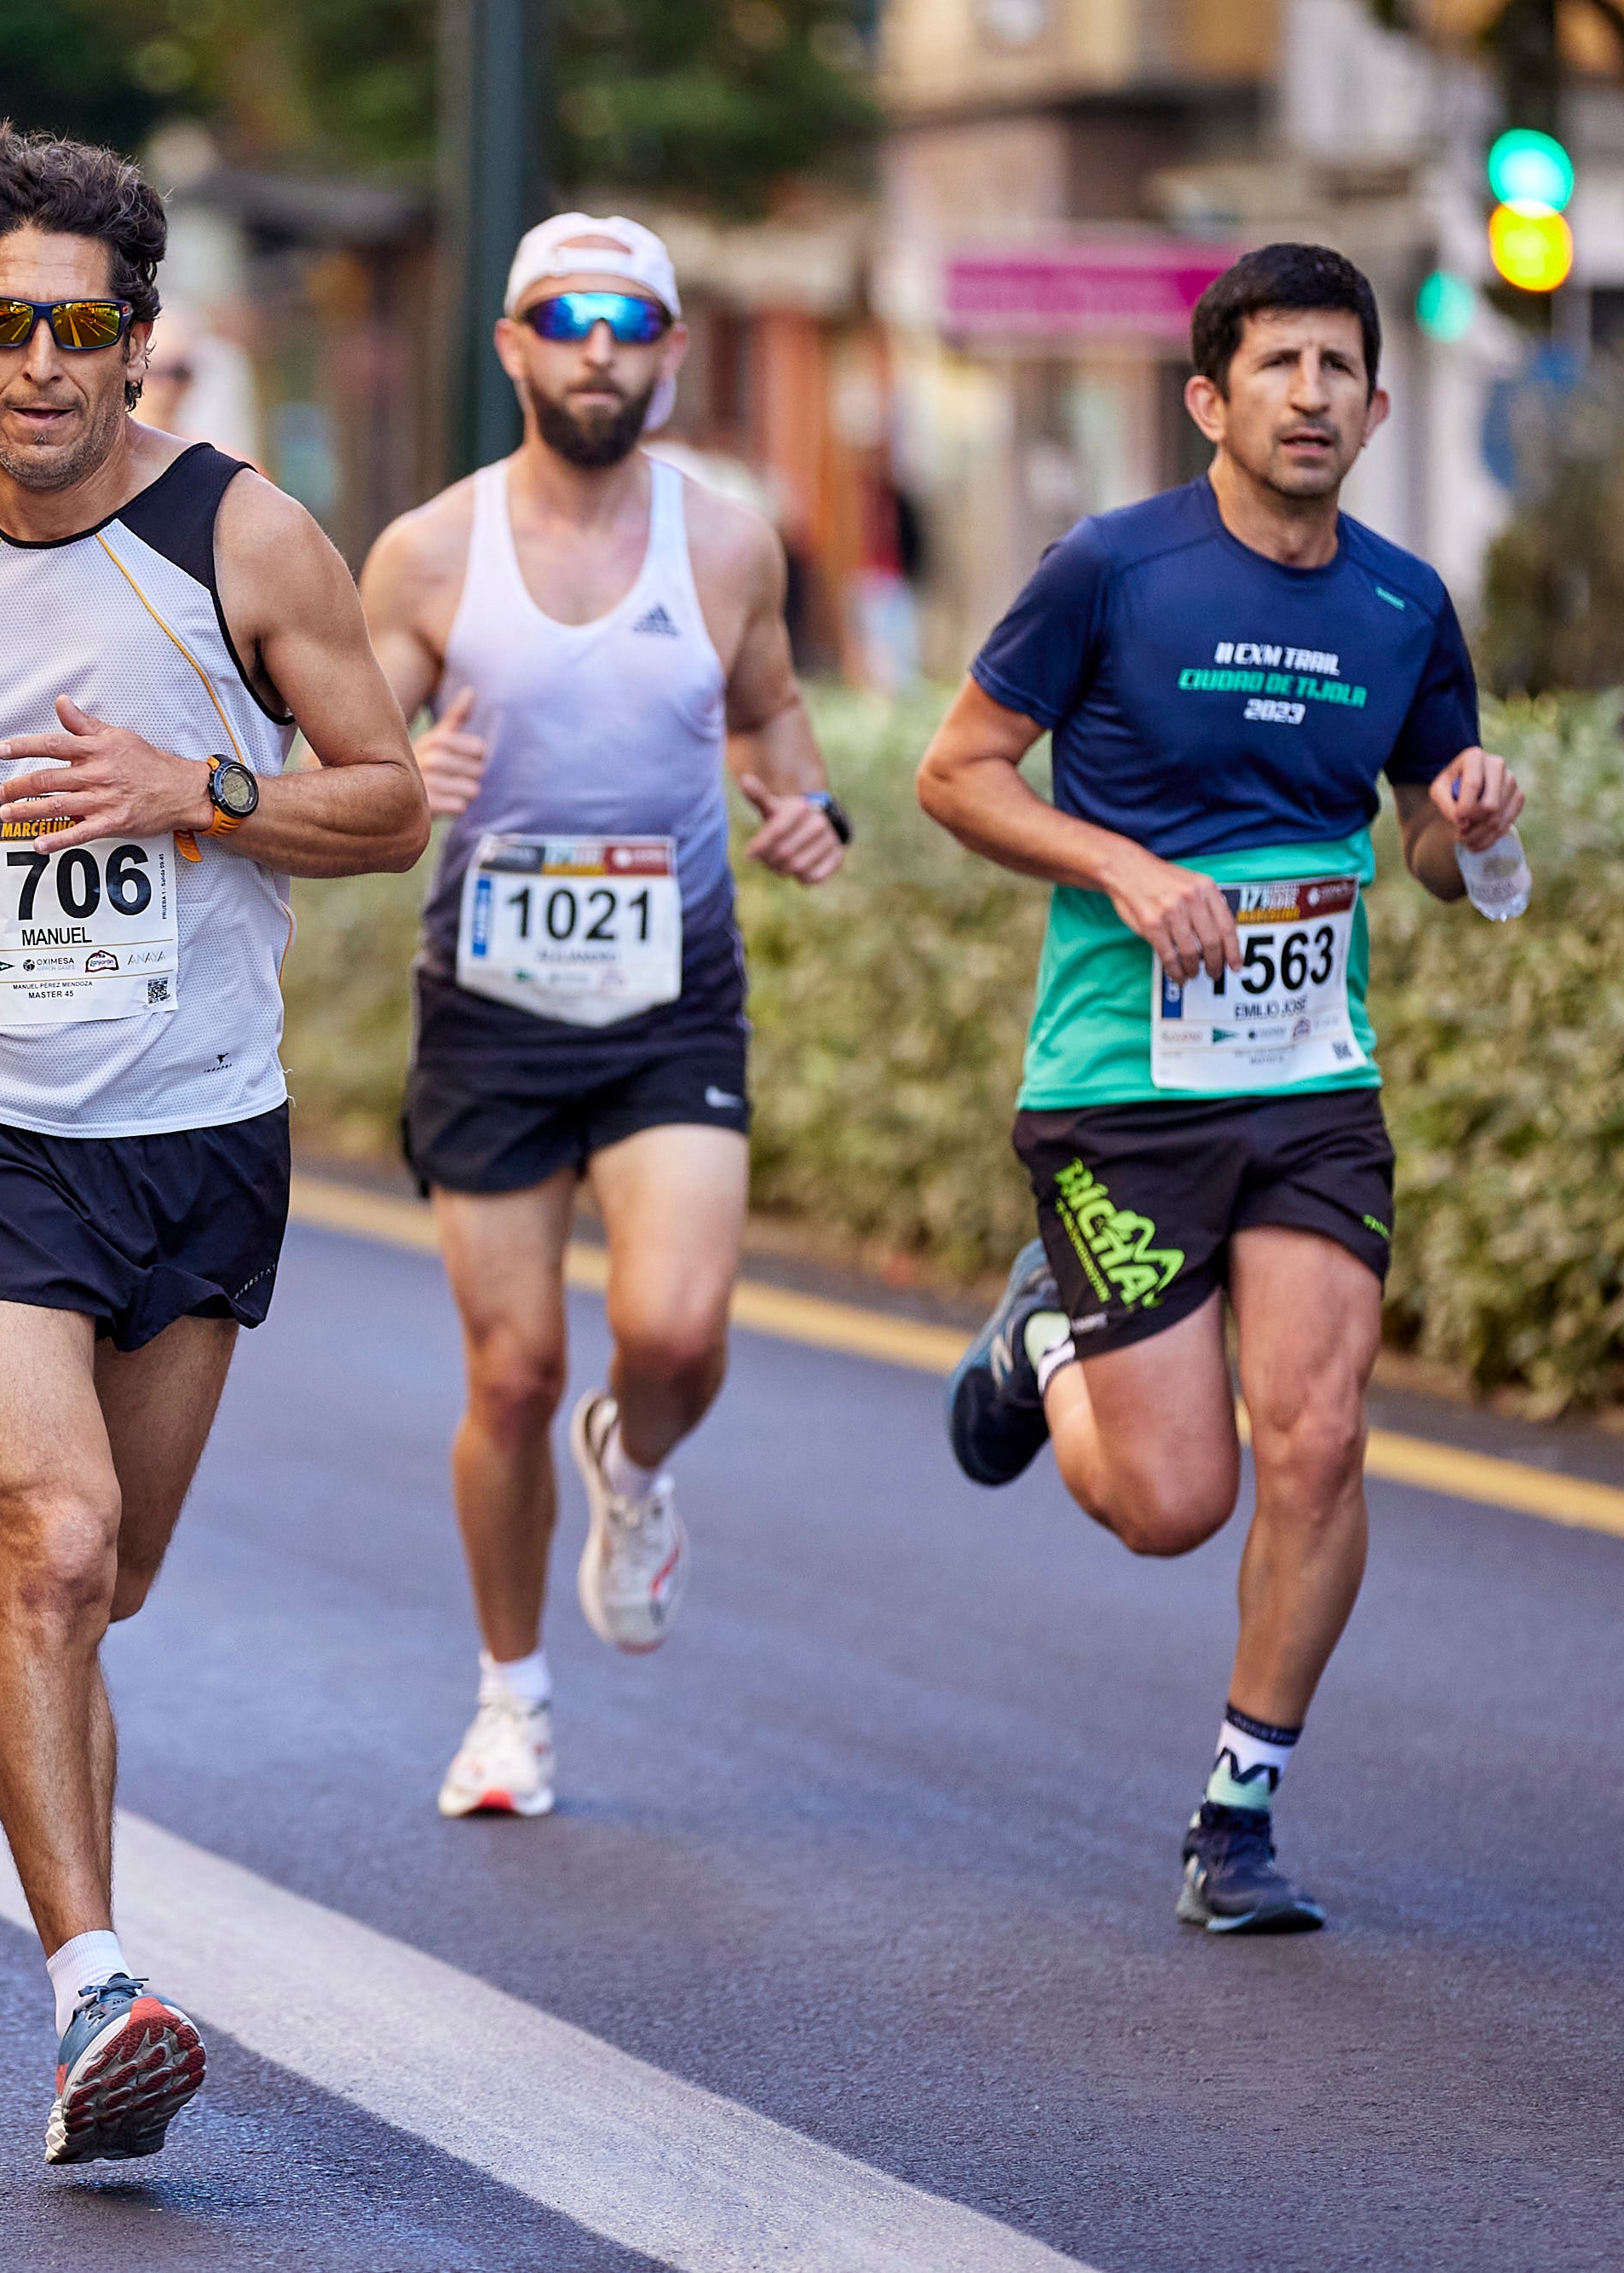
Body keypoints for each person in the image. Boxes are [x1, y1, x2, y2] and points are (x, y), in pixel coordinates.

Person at [0, 127, 427, 2164]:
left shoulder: (250, 542)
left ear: (139, 345)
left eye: (86, 326)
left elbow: (385, 800)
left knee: (97, 1569)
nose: (45, 363)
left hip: (197, 1117)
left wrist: (194, 787)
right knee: (65, 1534)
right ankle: (91, 1997)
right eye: (7, 324)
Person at [919, 245, 1524, 1936]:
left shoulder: (1401, 603)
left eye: (1339, 368)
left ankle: (1235, 1811)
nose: (1311, 395)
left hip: (1309, 1081)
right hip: (1121, 1085)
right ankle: (1041, 1333)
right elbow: (951, 772)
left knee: (1318, 1438)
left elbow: (1415, 833)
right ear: (1209, 397)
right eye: (1278, 366)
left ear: (1377, 403)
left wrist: (1462, 817)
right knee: (1167, 1500)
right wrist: (1113, 863)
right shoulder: (1109, 571)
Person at [355, 216, 846, 1821]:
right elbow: (343, 770)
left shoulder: (730, 544)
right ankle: (512, 1705)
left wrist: (804, 807)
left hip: (668, 998)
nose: (595, 347)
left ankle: (630, 1464)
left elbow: (773, 713)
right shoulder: (431, 550)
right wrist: (402, 785)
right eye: (563, 318)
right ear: (511, 345)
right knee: (508, 1373)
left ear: (671, 352)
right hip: (489, 1005)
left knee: (678, 1332)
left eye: (628, 320)